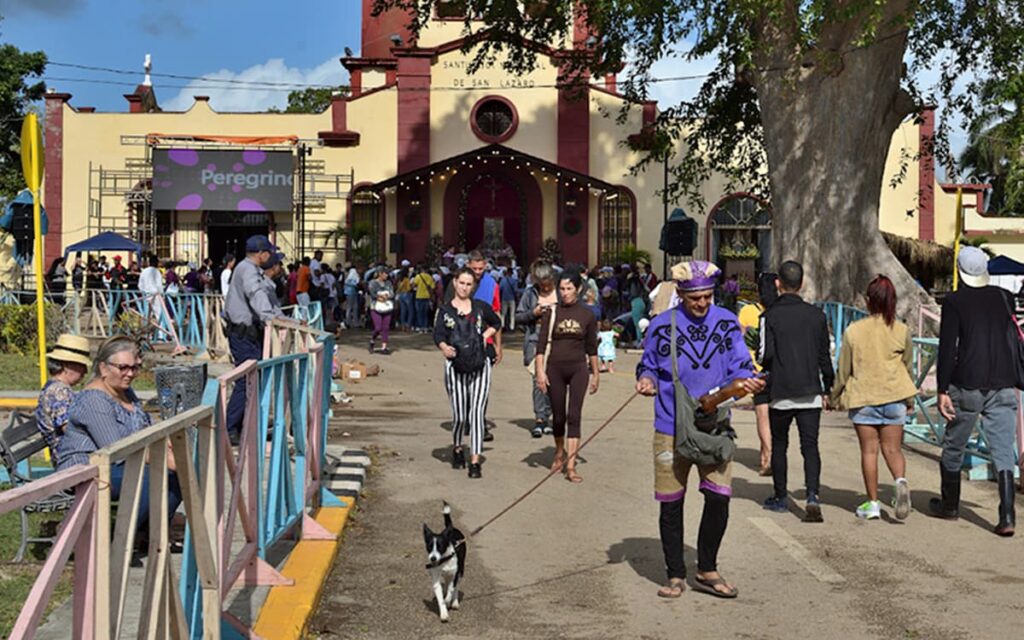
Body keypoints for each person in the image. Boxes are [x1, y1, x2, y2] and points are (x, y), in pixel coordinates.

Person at [636, 260, 763, 599]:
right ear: (680, 294)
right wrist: (646, 379)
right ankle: (675, 573)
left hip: (715, 426)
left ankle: (707, 568)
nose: (702, 304)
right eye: (695, 298)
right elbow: (646, 364)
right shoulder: (661, 326)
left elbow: (740, 364)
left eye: (707, 296)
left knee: (719, 498)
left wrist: (743, 382)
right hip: (669, 424)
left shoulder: (727, 323)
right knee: (671, 502)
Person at [56, 337, 183, 543]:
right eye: (123, 367)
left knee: (179, 473)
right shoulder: (94, 400)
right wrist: (162, 457)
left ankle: (149, 532)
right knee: (151, 477)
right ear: (104, 368)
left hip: (116, 464)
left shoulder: (124, 392)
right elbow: (116, 448)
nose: (130, 374)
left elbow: (144, 427)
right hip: (86, 468)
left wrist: (168, 442)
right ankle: (122, 539)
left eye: (134, 368)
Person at [932, 247, 1018, 536]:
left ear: (959, 269)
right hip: (1004, 381)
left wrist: (942, 389)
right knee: (1003, 449)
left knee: (954, 443)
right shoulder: (1004, 297)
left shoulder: (955, 301)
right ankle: (1007, 516)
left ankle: (950, 506)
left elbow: (947, 349)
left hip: (967, 382)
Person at [830, 275, 916, 520]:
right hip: (895, 396)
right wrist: (908, 400)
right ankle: (900, 481)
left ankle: (873, 503)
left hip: (864, 398)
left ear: (868, 301)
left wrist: (834, 396)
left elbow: (844, 369)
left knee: (869, 452)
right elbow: (908, 367)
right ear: (892, 301)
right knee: (893, 450)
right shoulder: (901, 330)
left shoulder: (854, 331)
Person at [758, 261, 834, 522]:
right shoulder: (817, 315)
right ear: (802, 284)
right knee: (810, 446)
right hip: (811, 389)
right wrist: (829, 386)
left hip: (781, 389)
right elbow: (825, 356)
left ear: (778, 283)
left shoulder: (769, 316)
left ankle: (780, 497)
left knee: (780, 445)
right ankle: (812, 495)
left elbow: (763, 355)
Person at [433, 267, 502, 479]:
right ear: (455, 283)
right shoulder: (445, 311)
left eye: (469, 284)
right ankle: (457, 447)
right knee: (461, 414)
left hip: (480, 365)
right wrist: (444, 347)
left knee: (476, 413)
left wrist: (485, 335)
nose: (464, 287)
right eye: (461, 283)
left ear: (474, 287)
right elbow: (438, 334)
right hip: (456, 366)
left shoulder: (480, 307)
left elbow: (497, 322)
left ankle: (475, 460)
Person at [535, 269, 599, 483]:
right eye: (561, 289)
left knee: (574, 415)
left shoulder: (588, 315)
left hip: (578, 369)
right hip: (555, 369)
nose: (565, 293)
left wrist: (596, 374)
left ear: (578, 289)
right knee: (559, 416)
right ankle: (559, 450)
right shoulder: (551, 312)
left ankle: (571, 465)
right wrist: (540, 372)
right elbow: (541, 345)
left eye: (569, 289)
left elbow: (592, 348)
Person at [224, 235, 286, 441]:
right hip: (243, 334)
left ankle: (245, 424)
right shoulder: (247, 269)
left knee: (252, 379)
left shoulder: (249, 269)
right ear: (261, 254)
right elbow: (256, 294)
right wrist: (271, 317)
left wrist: (279, 317)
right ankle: (231, 426)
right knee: (245, 380)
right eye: (268, 252)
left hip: (249, 334)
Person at [737, 272, 778, 476]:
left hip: (755, 370)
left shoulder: (747, 312)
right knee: (775, 415)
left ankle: (766, 456)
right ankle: (769, 455)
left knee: (762, 415)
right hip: (778, 370)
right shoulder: (780, 312)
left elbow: (739, 341)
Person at [516, 261, 558, 438]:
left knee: (554, 379)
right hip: (535, 339)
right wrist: (534, 314)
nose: (546, 286)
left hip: (556, 339)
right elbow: (518, 317)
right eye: (542, 283)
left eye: (548, 282)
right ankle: (540, 418)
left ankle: (552, 415)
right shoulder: (529, 293)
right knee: (538, 379)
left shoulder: (561, 292)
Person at [35, 334, 91, 466]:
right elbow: (70, 429)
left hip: (69, 453)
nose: (85, 371)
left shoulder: (55, 387)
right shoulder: (59, 392)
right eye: (81, 365)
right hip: (70, 458)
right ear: (66, 365)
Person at [368, 268, 395, 354]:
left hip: (387, 306)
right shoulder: (373, 283)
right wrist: (379, 297)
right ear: (380, 274)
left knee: (386, 327)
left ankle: (384, 347)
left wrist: (387, 296)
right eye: (385, 274)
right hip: (375, 307)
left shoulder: (388, 283)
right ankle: (372, 340)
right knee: (378, 327)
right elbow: (372, 293)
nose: (386, 275)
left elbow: (392, 293)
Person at [413, 265, 436, 333]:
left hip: (419, 296)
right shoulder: (429, 277)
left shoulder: (418, 276)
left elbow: (414, 285)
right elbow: (432, 287)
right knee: (425, 313)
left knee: (419, 313)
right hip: (427, 296)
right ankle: (425, 327)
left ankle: (420, 327)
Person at [344, 265, 362, 329]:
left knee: (354, 307)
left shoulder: (352, 274)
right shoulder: (353, 274)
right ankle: (348, 322)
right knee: (350, 307)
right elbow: (350, 282)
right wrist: (356, 284)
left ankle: (354, 323)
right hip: (350, 292)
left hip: (353, 292)